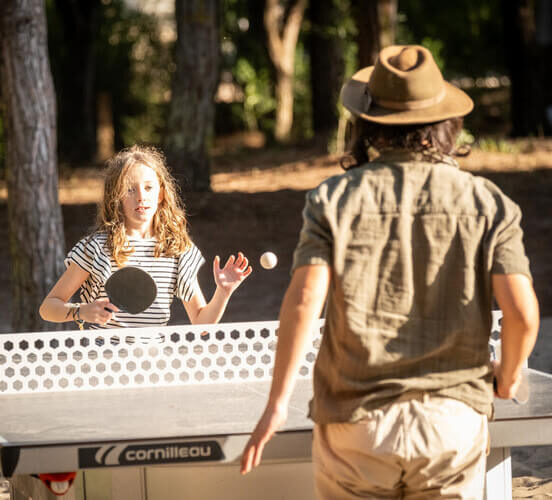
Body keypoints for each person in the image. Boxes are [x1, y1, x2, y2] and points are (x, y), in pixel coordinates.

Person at [240, 45, 539, 498]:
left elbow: (304, 301)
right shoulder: (487, 202)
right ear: (446, 122)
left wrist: (277, 405)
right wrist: (510, 374)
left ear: (368, 124)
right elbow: (521, 314)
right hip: (451, 425)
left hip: (356, 425)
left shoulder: (333, 199)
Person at [40, 144, 252, 330]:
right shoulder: (95, 248)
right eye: (130, 190)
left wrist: (223, 292)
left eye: (149, 188)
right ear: (116, 197)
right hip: (101, 362)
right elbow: (48, 308)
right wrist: (82, 311)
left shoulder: (178, 249)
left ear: (160, 194)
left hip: (151, 364)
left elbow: (201, 324)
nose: (141, 196)